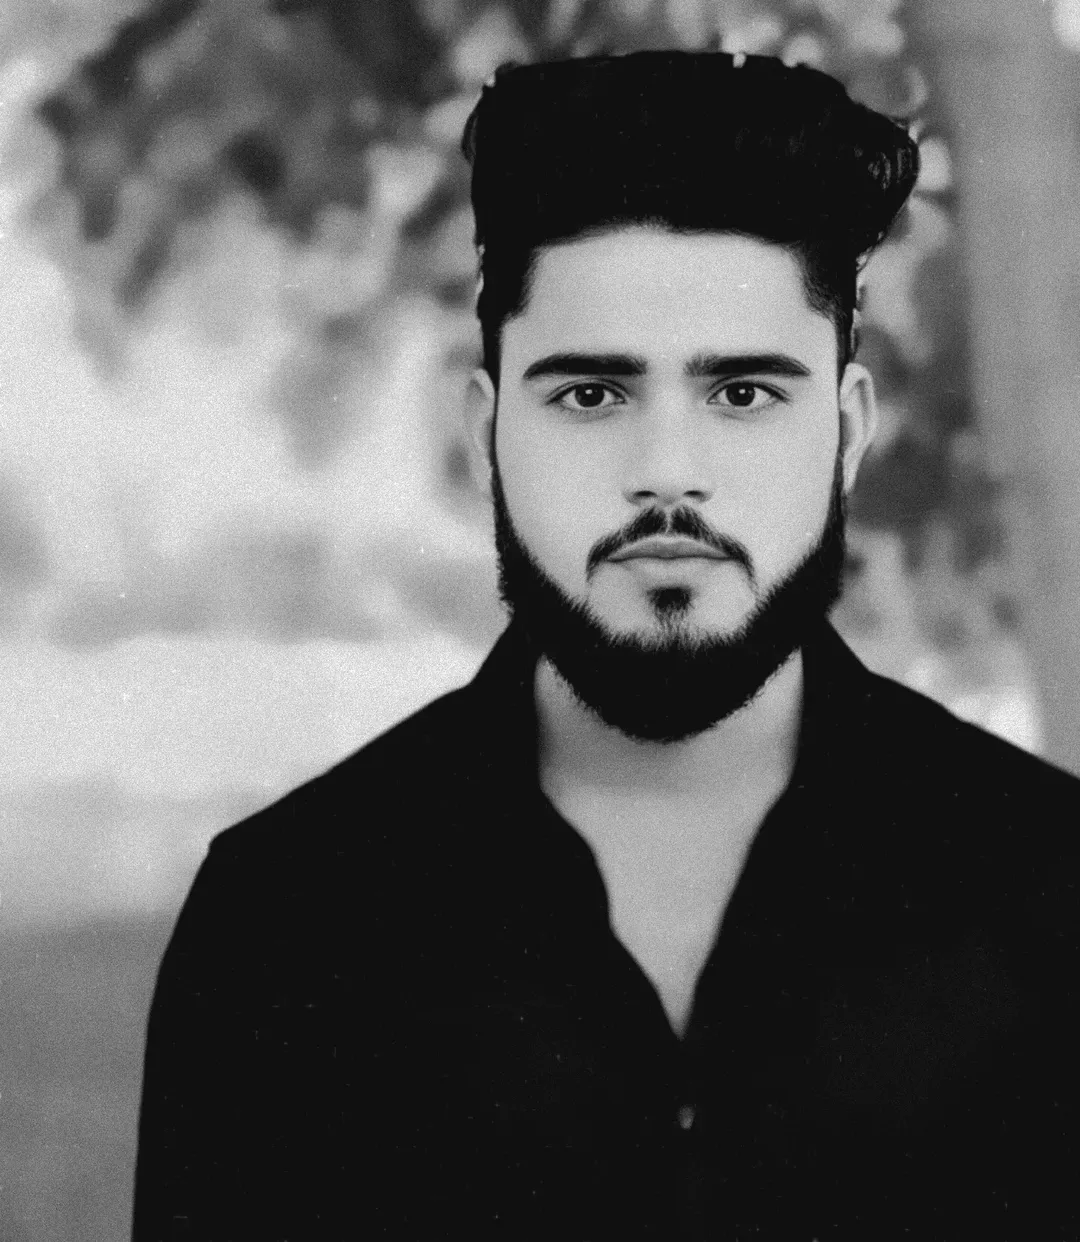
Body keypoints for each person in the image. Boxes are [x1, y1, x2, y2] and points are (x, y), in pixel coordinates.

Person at [132, 51, 1080, 1241]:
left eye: (743, 394)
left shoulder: (1056, 896)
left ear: (845, 437)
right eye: (591, 395)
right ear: (488, 434)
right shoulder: (285, 927)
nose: (666, 472)